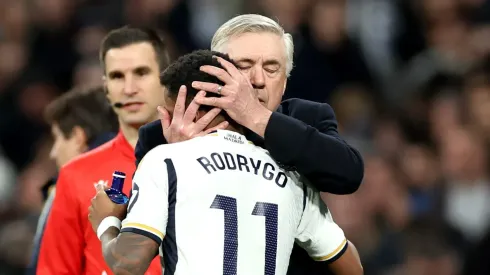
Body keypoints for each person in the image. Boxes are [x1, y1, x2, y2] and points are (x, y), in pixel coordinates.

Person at [89, 50, 363, 275]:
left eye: (170, 113)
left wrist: (107, 222)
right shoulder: (291, 177)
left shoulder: (165, 161)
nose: (167, 124)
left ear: (191, 109)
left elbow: (128, 264)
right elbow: (351, 266)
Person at [135, 14, 363, 195]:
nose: (258, 80)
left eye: (272, 69)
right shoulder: (166, 135)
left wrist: (255, 116)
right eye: (244, 65)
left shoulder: (308, 117)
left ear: (284, 83)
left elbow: (348, 174)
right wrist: (178, 158)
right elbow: (141, 227)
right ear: (217, 72)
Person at [37, 26, 171, 275]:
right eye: (117, 76)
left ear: (165, 78)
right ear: (106, 88)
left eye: (141, 73)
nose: (129, 88)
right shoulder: (75, 175)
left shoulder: (199, 163)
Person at [27, 85, 119, 275]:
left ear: (78, 137)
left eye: (57, 138)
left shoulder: (69, 185)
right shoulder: (142, 170)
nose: (53, 152)